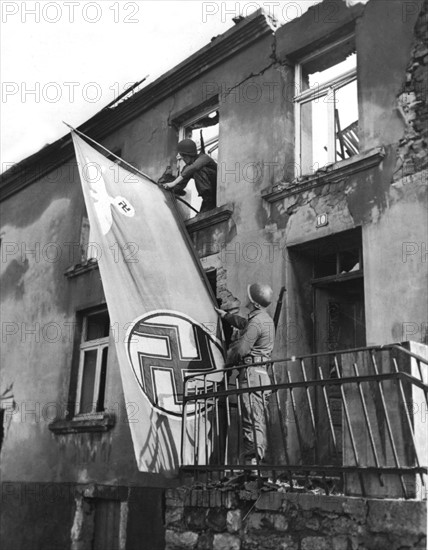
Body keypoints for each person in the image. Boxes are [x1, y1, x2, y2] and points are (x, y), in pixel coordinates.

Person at [215, 283, 275, 465]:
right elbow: (244, 324)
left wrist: (225, 362)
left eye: (250, 297)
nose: (246, 298)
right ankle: (253, 462)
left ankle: (253, 465)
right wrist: (226, 316)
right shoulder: (262, 319)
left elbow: (242, 349)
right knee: (254, 418)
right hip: (258, 373)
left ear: (255, 303)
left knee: (252, 420)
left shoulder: (257, 322)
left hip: (251, 375)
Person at [162, 138, 217, 213]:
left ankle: (208, 201)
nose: (183, 159)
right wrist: (169, 188)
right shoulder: (188, 167)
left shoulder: (204, 158)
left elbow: (193, 168)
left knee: (195, 170)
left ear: (188, 155)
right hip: (208, 197)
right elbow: (181, 182)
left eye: (183, 156)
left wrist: (173, 183)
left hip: (217, 190)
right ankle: (207, 202)